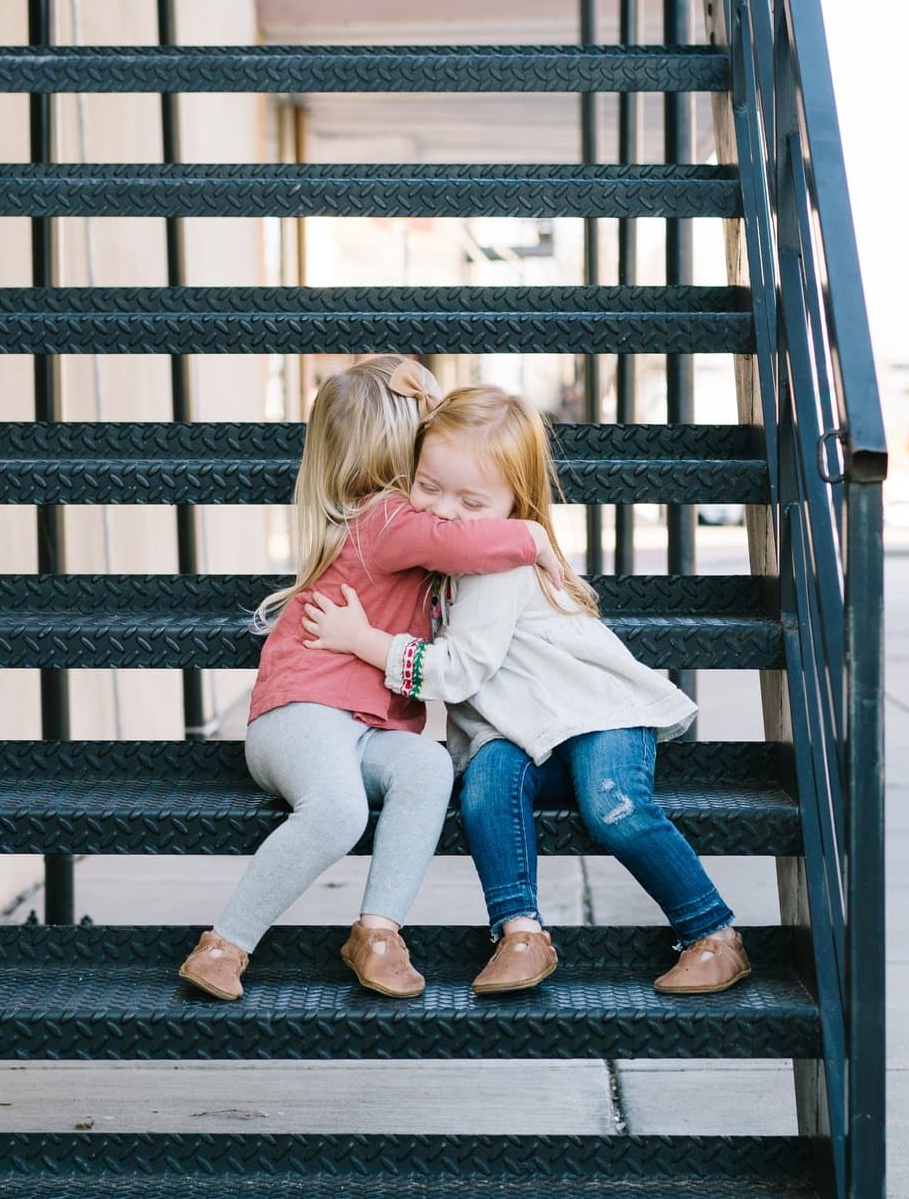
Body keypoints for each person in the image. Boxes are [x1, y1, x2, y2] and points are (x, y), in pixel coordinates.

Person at [304, 383, 751, 997]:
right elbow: (452, 443)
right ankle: (520, 933)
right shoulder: (451, 554)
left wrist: (364, 641)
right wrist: (433, 394)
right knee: (487, 787)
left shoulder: (496, 566)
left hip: (598, 715)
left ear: (516, 505)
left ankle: (712, 933)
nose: (444, 513)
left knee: (614, 808)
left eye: (471, 500)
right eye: (428, 488)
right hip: (518, 729)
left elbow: (457, 671)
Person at [177, 357, 559, 1003]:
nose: (444, 501)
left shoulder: (398, 518)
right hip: (302, 713)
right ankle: (225, 943)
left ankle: (378, 931)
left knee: (428, 768)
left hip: (363, 728)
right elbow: (470, 543)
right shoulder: (383, 516)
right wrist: (533, 536)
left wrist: (430, 396)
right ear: (404, 454)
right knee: (339, 810)